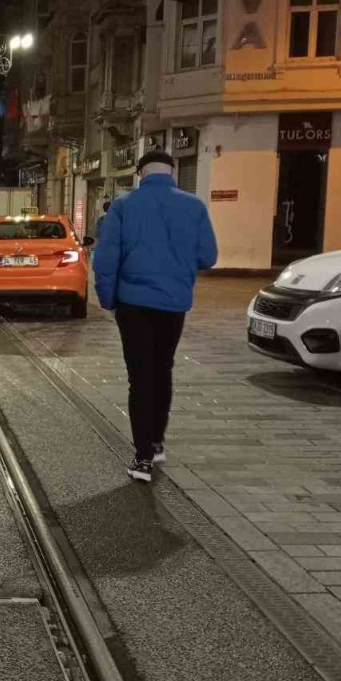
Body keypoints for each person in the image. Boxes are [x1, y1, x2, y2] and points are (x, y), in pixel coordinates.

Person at [92, 150, 218, 483]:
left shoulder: (123, 206)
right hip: (173, 304)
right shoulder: (194, 206)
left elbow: (106, 259)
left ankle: (143, 458)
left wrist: (108, 300)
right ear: (172, 172)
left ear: (140, 172)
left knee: (140, 377)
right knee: (163, 370)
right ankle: (157, 442)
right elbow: (208, 256)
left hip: (133, 303)